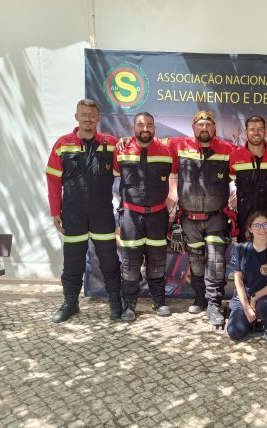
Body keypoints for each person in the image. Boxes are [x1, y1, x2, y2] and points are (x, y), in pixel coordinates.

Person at [45, 99, 122, 323]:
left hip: (102, 212)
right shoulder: (63, 144)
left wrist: (125, 143)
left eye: (92, 114)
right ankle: (70, 303)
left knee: (108, 259)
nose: (88, 118)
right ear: (76, 117)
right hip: (73, 212)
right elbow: (53, 180)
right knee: (73, 259)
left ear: (98, 118)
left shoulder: (111, 143)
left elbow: (125, 168)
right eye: (84, 114)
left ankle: (115, 301)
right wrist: (55, 211)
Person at [168, 111, 236, 327]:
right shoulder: (179, 147)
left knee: (216, 262)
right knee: (196, 261)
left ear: (214, 128)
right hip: (189, 219)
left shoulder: (227, 150)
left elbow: (250, 156)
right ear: (193, 127)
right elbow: (149, 143)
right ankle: (200, 298)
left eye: (208, 124)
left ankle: (215, 303)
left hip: (216, 217)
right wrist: (126, 141)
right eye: (200, 125)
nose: (204, 128)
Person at [113, 112, 177, 322]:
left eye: (149, 124)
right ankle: (129, 304)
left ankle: (158, 301)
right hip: (131, 216)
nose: (145, 129)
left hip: (157, 216)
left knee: (157, 261)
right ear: (134, 127)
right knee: (130, 264)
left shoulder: (167, 150)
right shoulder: (121, 149)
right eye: (141, 125)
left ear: (155, 127)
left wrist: (171, 205)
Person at [227, 211, 267, 341]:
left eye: (265, 225)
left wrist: (254, 298)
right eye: (257, 226)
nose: (262, 229)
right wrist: (246, 306)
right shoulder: (240, 248)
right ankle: (253, 322)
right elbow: (238, 281)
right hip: (245, 296)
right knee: (234, 332)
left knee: (265, 308)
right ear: (250, 228)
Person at [229, 116, 267, 242]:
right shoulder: (235, 156)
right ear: (246, 132)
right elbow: (231, 180)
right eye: (252, 129)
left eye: (260, 129)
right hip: (245, 219)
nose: (256, 133)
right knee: (246, 258)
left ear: (265, 131)